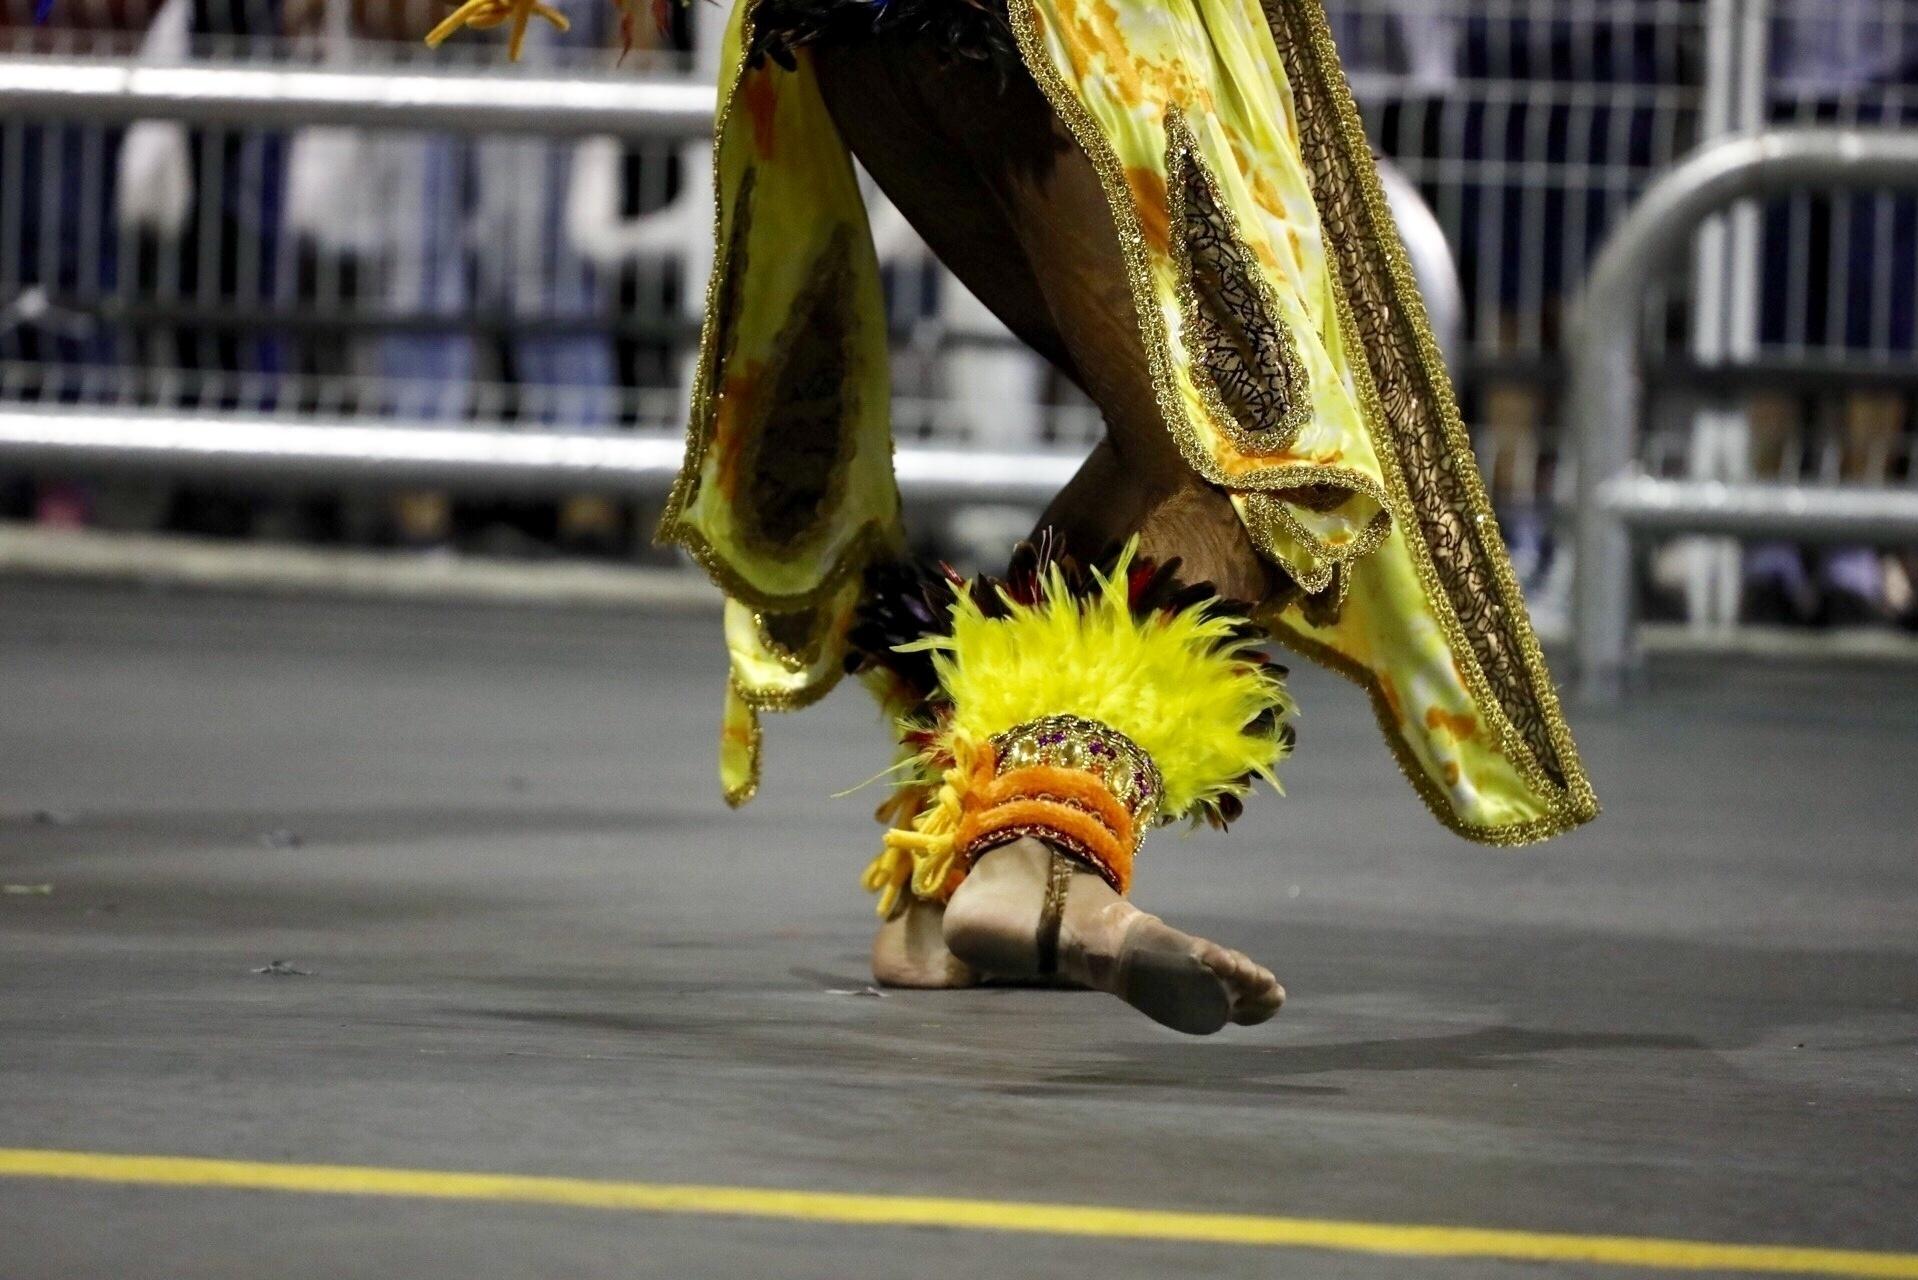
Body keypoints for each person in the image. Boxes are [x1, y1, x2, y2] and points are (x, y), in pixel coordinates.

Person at [438, 0, 1598, 1035]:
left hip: (864, 34)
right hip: (1069, 30)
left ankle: (943, 875)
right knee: (1257, 479)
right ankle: (1040, 855)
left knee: (1173, 444)